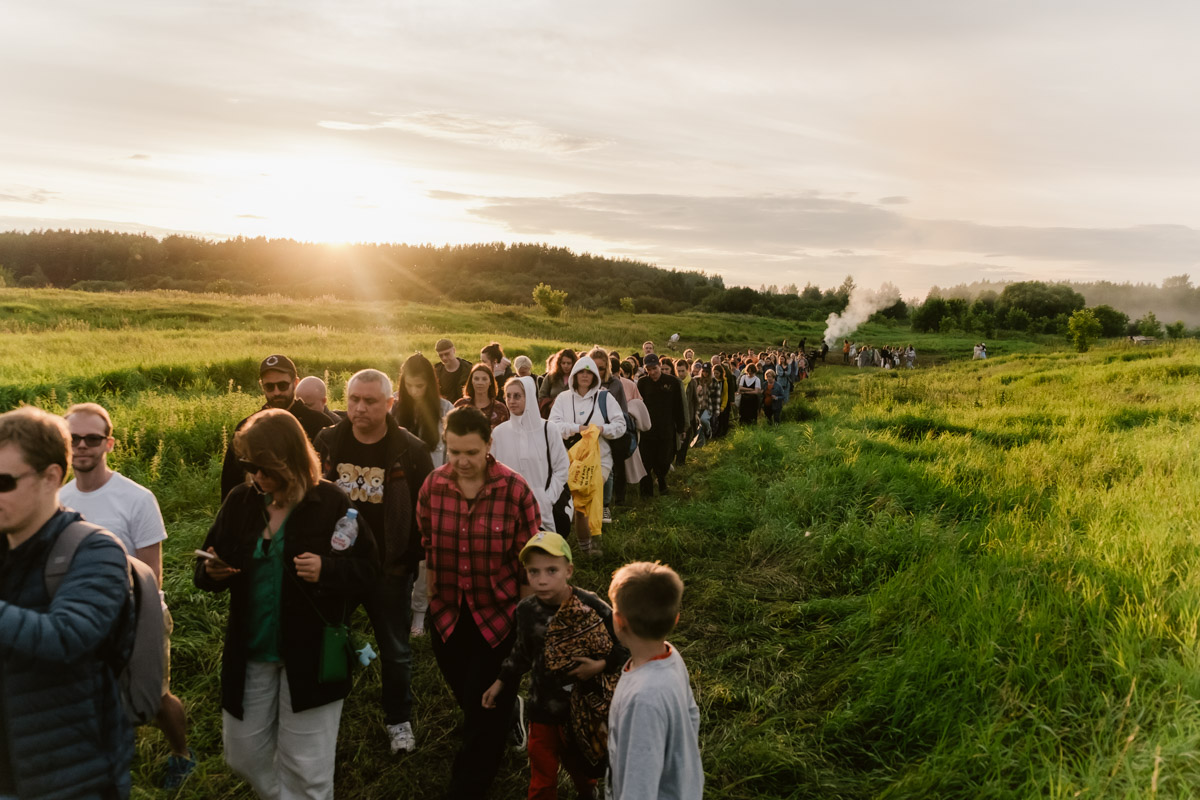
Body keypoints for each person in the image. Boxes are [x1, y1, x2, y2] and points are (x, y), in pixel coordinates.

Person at [196, 409, 378, 799]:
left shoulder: (330, 501)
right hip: (252, 648)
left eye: (264, 468)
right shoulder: (242, 501)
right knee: (241, 753)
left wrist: (327, 569)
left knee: (308, 768)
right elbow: (206, 560)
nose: (255, 476)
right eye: (248, 466)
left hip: (312, 653)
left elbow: (369, 569)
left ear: (290, 461)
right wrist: (211, 571)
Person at [0, 407, 136, 800]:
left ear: (50, 477)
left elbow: (67, 636)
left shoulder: (94, 550)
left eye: (4, 482)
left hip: (69, 777)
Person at [59, 403, 197, 789]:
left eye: (92, 439)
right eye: (73, 438)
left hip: (139, 614)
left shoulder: (136, 498)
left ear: (109, 444)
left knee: (153, 697)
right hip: (81, 620)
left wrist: (124, 621)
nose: (81, 446)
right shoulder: (58, 500)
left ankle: (181, 754)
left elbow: (151, 575)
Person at [417, 407, 541, 800]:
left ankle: (467, 786)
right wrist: (431, 594)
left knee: (484, 711)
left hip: (499, 616)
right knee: (471, 697)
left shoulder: (515, 490)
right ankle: (506, 714)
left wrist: (525, 625)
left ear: (489, 444)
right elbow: (427, 541)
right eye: (453, 451)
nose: (462, 461)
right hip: (448, 614)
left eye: (471, 452)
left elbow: (529, 563)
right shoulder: (433, 486)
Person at [314, 370, 434, 754]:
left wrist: (408, 559)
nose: (360, 408)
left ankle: (398, 720)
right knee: (330, 639)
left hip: (388, 569)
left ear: (390, 403)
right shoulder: (328, 441)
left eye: (370, 400)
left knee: (395, 649)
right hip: (338, 567)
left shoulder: (410, 451)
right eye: (354, 399)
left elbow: (426, 511)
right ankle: (325, 715)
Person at [482, 532, 627, 800]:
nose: (542, 579)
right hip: (542, 709)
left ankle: (589, 791)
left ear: (568, 570)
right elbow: (522, 652)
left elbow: (624, 644)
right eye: (533, 571)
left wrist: (600, 665)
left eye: (551, 570)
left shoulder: (590, 605)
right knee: (542, 773)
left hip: (581, 710)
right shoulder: (526, 610)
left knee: (581, 767)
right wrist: (500, 682)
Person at [606, 562, 703, 800]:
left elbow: (639, 789)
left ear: (619, 620)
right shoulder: (671, 656)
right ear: (676, 619)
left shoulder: (643, 700)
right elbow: (692, 715)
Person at [391, 354, 455, 639]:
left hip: (434, 491)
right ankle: (398, 607)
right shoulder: (395, 407)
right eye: (410, 386)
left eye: (420, 386)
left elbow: (450, 453)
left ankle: (420, 611)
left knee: (427, 556)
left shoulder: (445, 409)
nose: (415, 391)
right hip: (400, 492)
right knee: (401, 551)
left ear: (430, 383)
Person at [220, 354, 332, 500]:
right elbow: (231, 482)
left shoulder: (319, 423)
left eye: (282, 385)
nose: (276, 392)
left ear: (295, 383)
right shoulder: (247, 427)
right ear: (262, 386)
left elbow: (331, 478)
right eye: (269, 387)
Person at [548, 357, 626, 557]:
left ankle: (594, 545)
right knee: (575, 505)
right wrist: (579, 429)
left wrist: (601, 429)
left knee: (587, 500)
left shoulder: (605, 398)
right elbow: (553, 425)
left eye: (589, 372)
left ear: (595, 376)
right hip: (570, 459)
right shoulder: (563, 398)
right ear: (574, 375)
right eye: (581, 372)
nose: (585, 375)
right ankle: (583, 545)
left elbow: (620, 425)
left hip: (599, 459)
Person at [492, 377, 570, 533]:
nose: (511, 401)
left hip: (543, 507)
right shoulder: (499, 433)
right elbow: (493, 470)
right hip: (509, 506)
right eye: (508, 396)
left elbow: (561, 467)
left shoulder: (549, 429)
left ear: (528, 397)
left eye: (517, 396)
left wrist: (548, 498)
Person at [587, 347, 627, 522]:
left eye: (601, 368)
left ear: (607, 368)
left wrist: (608, 426)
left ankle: (604, 506)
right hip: (587, 432)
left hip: (607, 432)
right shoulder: (584, 383)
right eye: (593, 367)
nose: (597, 371)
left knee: (607, 469)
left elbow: (623, 411)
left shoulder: (615, 384)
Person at [636, 354, 684, 496]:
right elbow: (638, 406)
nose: (652, 372)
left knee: (664, 460)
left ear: (659, 366)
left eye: (654, 368)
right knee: (646, 461)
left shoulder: (672, 382)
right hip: (647, 429)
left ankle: (661, 479)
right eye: (649, 369)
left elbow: (678, 406)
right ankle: (646, 492)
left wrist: (681, 427)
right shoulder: (642, 383)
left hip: (666, 428)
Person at [455, 362, 511, 430]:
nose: (480, 382)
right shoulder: (460, 405)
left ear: (490, 382)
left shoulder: (500, 408)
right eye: (476, 379)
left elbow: (506, 433)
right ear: (471, 381)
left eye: (484, 379)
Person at [673, 359, 698, 466]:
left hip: (689, 414)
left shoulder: (692, 382)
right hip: (677, 414)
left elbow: (695, 399)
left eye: (683, 371)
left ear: (687, 370)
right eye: (678, 371)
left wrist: (695, 414)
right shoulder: (674, 382)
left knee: (686, 438)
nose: (681, 373)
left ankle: (681, 461)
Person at [537, 349, 577, 418]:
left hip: (571, 414)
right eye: (563, 363)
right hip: (551, 414)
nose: (566, 366)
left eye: (568, 363)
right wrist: (550, 403)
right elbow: (542, 395)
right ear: (559, 363)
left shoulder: (577, 378)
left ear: (573, 364)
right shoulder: (551, 376)